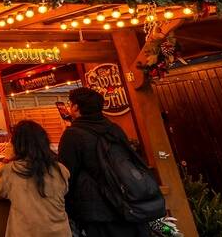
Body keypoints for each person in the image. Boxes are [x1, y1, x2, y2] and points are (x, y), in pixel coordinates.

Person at [58, 87, 152, 237]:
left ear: (75, 107)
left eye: (70, 104)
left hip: (97, 211)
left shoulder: (73, 134)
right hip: (128, 201)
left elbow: (65, 174)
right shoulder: (114, 129)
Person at [0, 120, 71, 236]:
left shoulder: (10, 171)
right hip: (58, 232)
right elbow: (64, 191)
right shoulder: (60, 169)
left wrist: (6, 159)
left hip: (24, 232)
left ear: (16, 145)